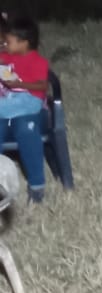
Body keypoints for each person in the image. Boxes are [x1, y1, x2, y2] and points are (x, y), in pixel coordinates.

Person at [0, 15, 50, 203]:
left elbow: (42, 85)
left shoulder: (38, 61)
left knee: (26, 132)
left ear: (24, 43)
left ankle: (37, 187)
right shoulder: (8, 57)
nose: (5, 44)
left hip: (29, 102)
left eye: (9, 42)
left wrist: (19, 84)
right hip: (11, 105)